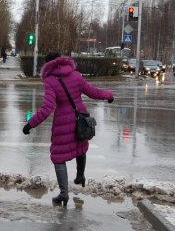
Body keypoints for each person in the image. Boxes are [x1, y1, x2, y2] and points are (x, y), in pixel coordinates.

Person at [22, 51, 114, 206]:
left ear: (48, 65)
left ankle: (64, 194)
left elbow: (47, 108)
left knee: (58, 155)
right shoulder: (76, 75)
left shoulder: (50, 80)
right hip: (81, 117)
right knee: (81, 145)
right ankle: (80, 177)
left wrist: (30, 124)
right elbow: (93, 92)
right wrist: (109, 95)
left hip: (63, 120)